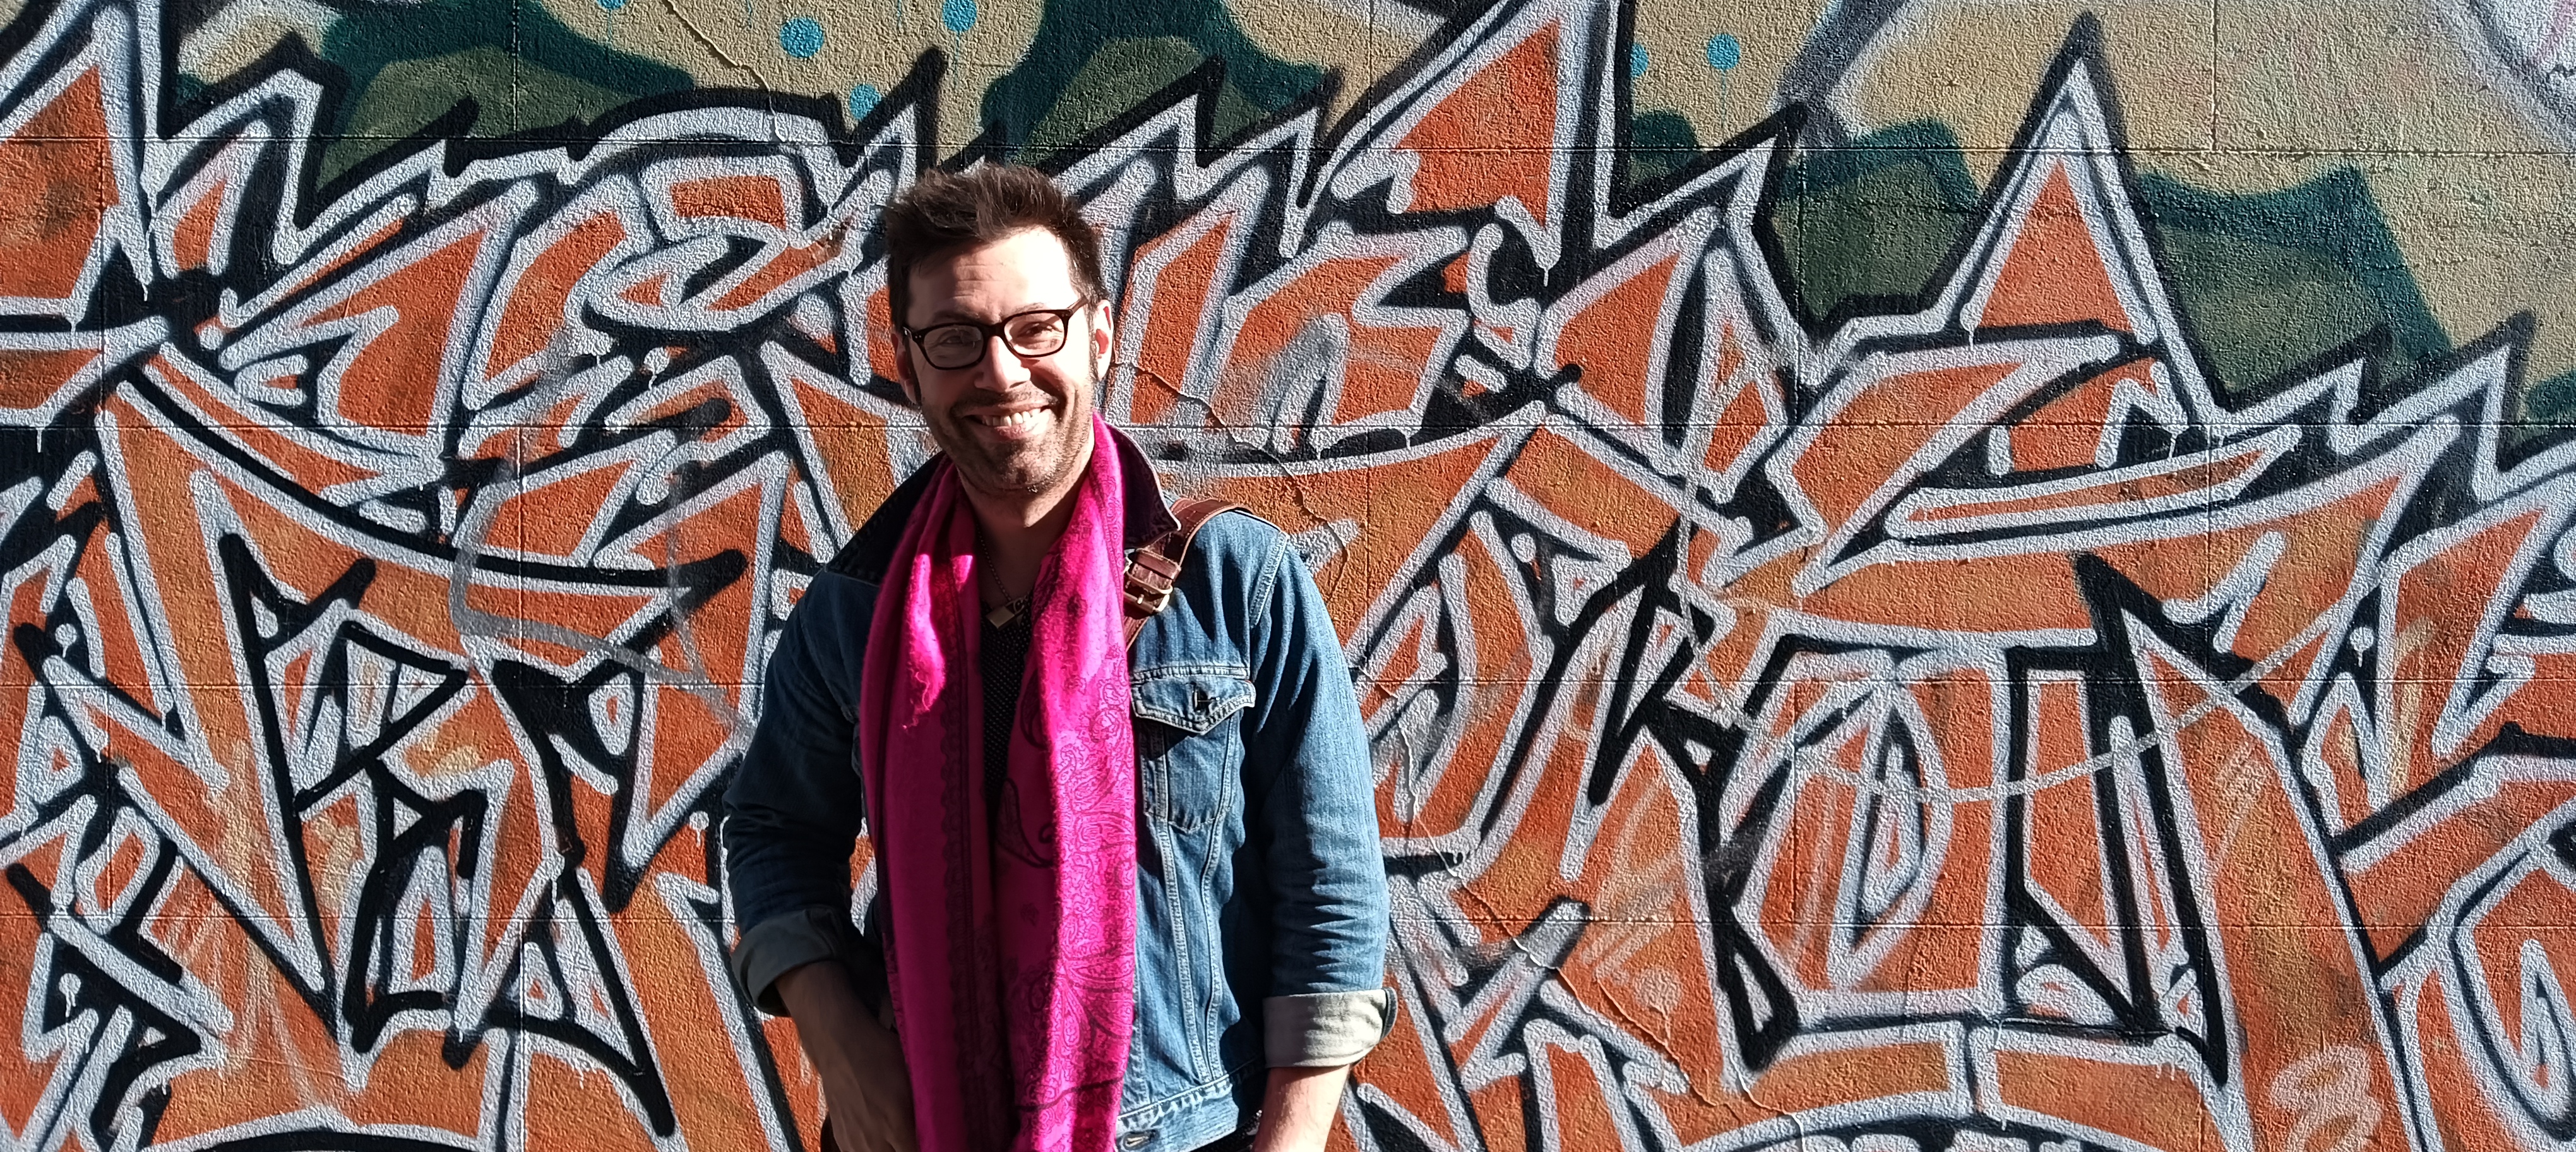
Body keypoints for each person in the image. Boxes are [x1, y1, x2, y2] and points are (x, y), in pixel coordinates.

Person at [722, 164, 1392, 1152]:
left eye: (1036, 328)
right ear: (908, 365)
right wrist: (844, 1051)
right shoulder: (855, 613)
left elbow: (1331, 892)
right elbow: (776, 830)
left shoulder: (1236, 582)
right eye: (956, 338)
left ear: (1100, 336)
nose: (1001, 373)